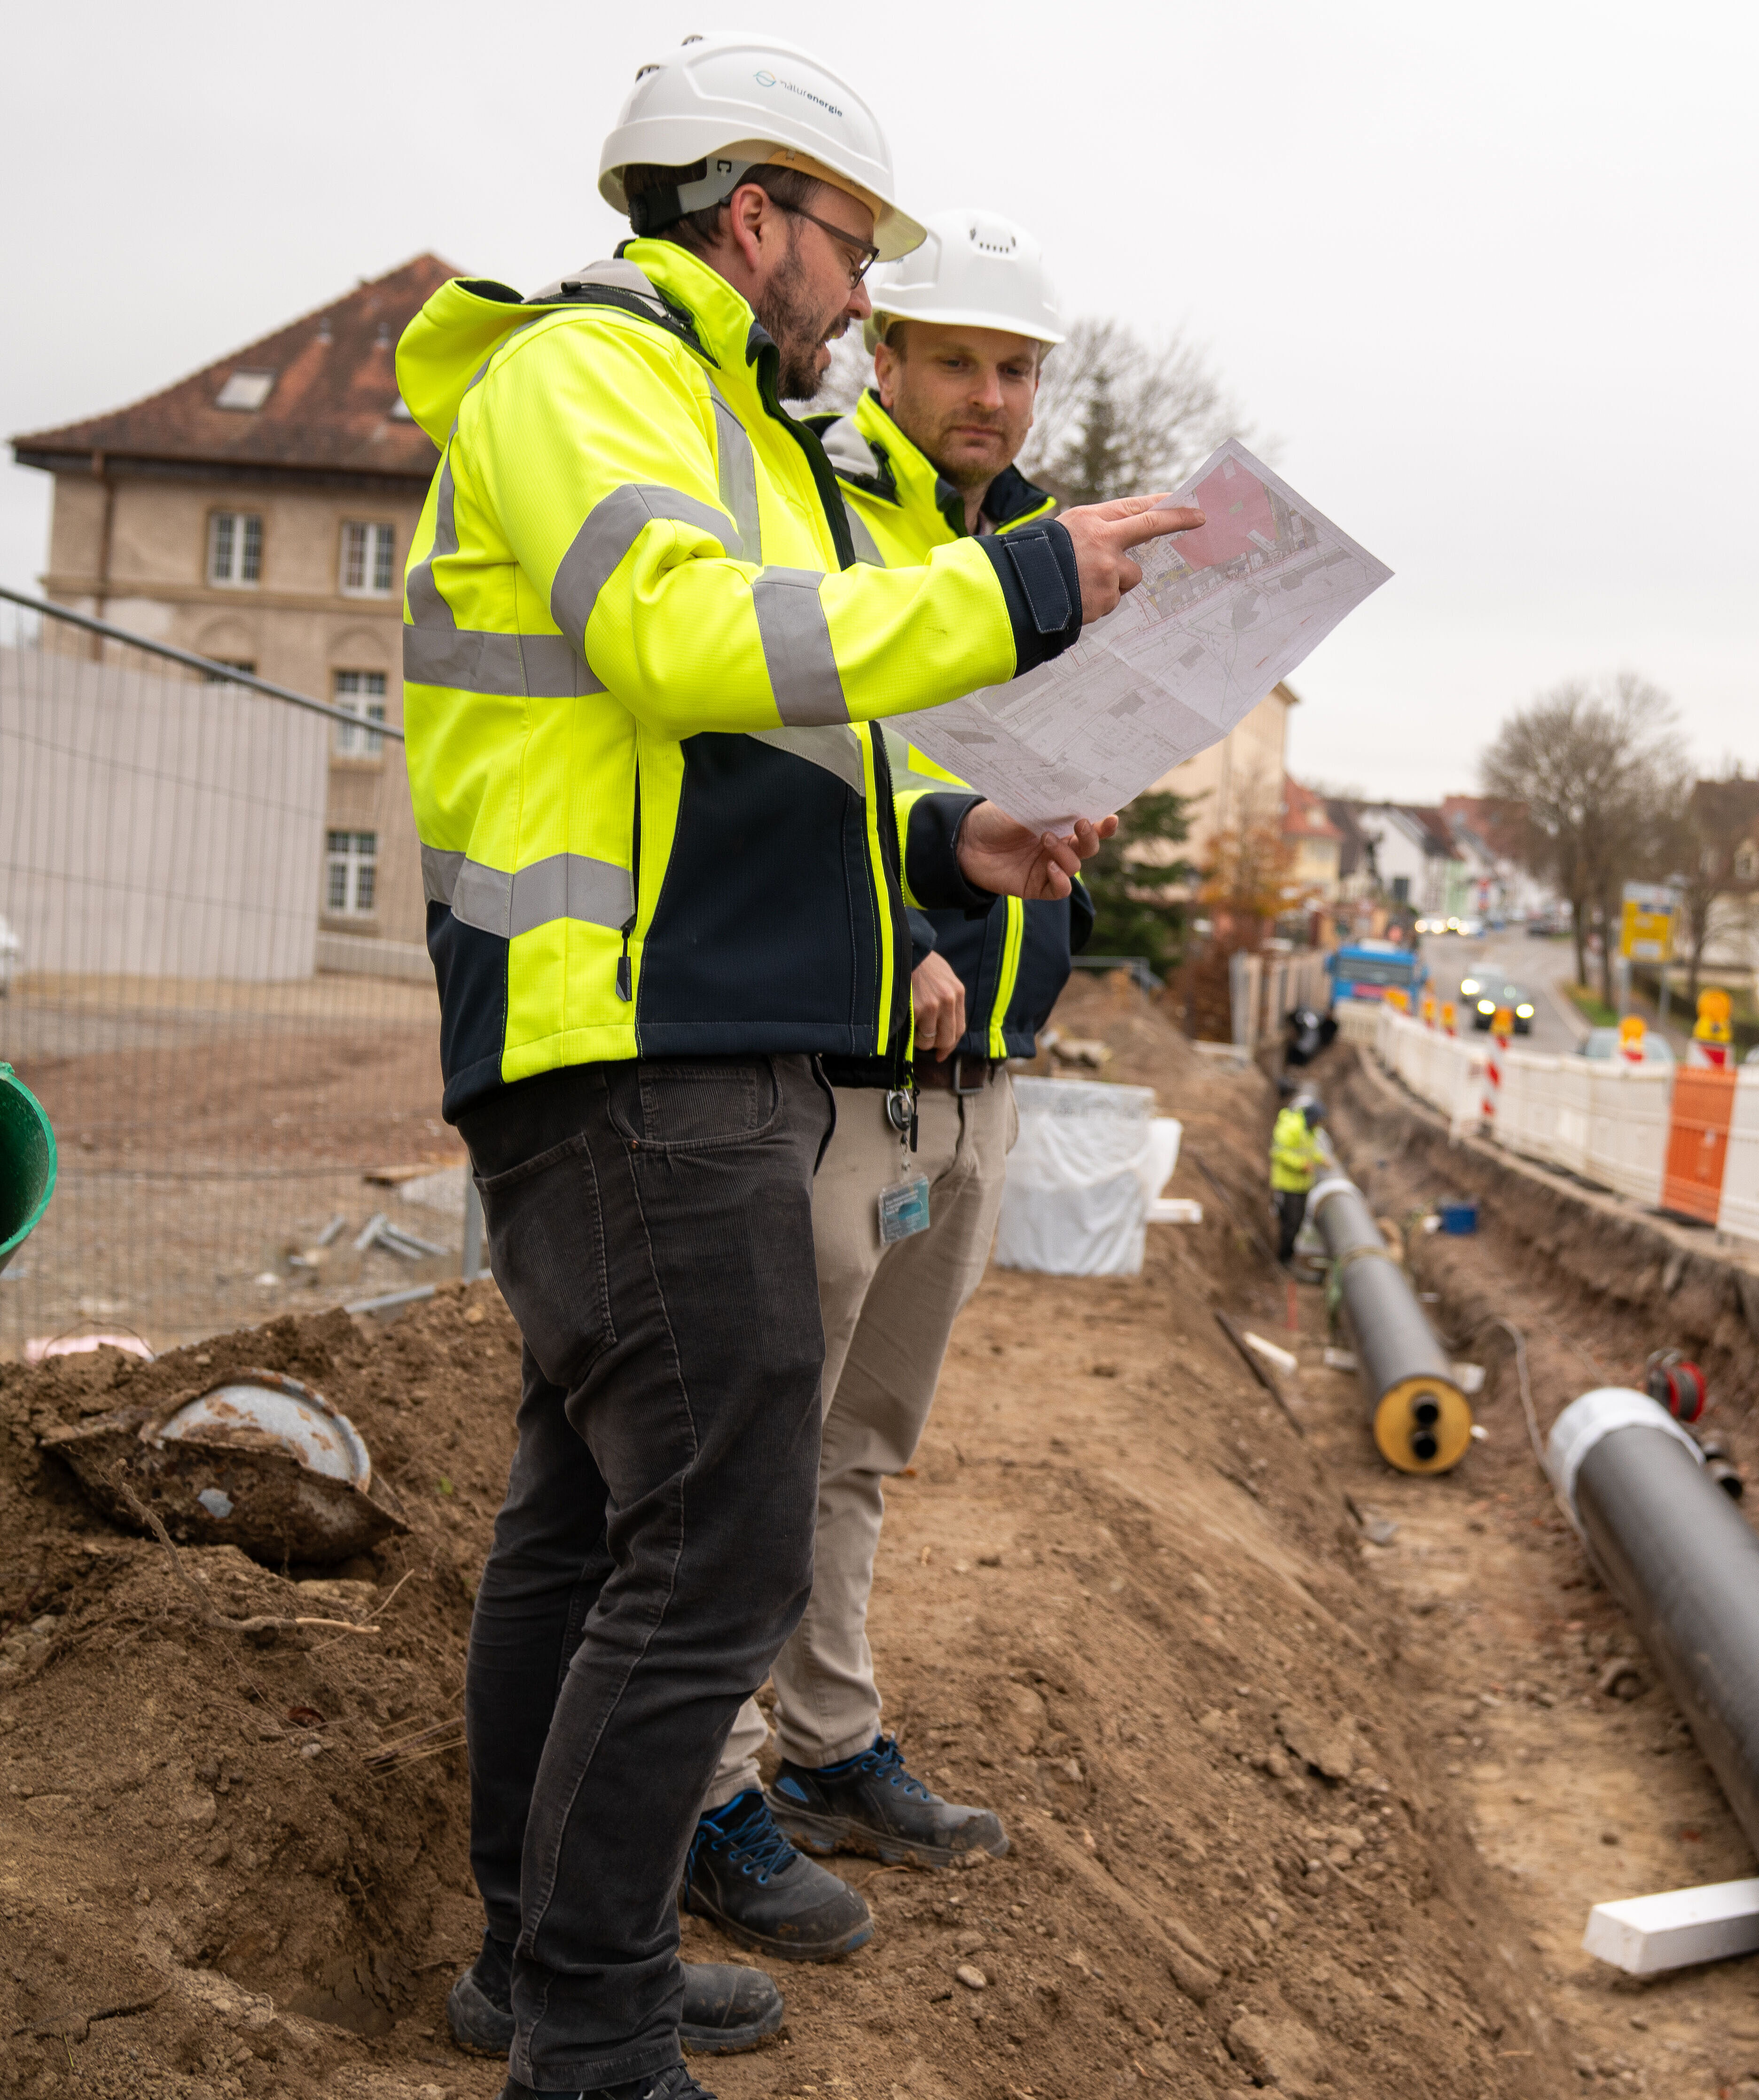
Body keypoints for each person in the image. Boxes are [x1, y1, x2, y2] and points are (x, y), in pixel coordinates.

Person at [397, 36, 1199, 2100]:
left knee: (587, 1527)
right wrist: (1023, 581)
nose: (862, 292)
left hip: (682, 1027)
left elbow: (774, 744)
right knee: (717, 1545)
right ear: (750, 218)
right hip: (627, 1038)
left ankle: (543, 1962)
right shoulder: (588, 378)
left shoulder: (718, 409)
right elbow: (686, 643)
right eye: (852, 247)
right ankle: (592, 2020)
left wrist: (951, 844)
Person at [677, 211, 1100, 1963]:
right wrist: (893, 933)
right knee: (755, 1448)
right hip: (844, 1060)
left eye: (1016, 370)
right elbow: (785, 771)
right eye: (959, 361)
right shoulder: (818, 510)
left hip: (978, 1072)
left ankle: (832, 1739)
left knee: (863, 1445)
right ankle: (713, 1790)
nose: (989, 397)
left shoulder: (1035, 555)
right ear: (891, 356)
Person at [1271, 1093, 1335, 1261]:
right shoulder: (1291, 1128)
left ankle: (1289, 1255)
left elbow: (1310, 1151)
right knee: (1290, 1224)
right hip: (1288, 1185)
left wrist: (1322, 1160)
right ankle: (1283, 1259)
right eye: (1318, 1120)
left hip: (1302, 1185)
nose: (1319, 1124)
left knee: (1298, 1222)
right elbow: (1279, 1153)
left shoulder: (1310, 1130)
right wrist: (1301, 1165)